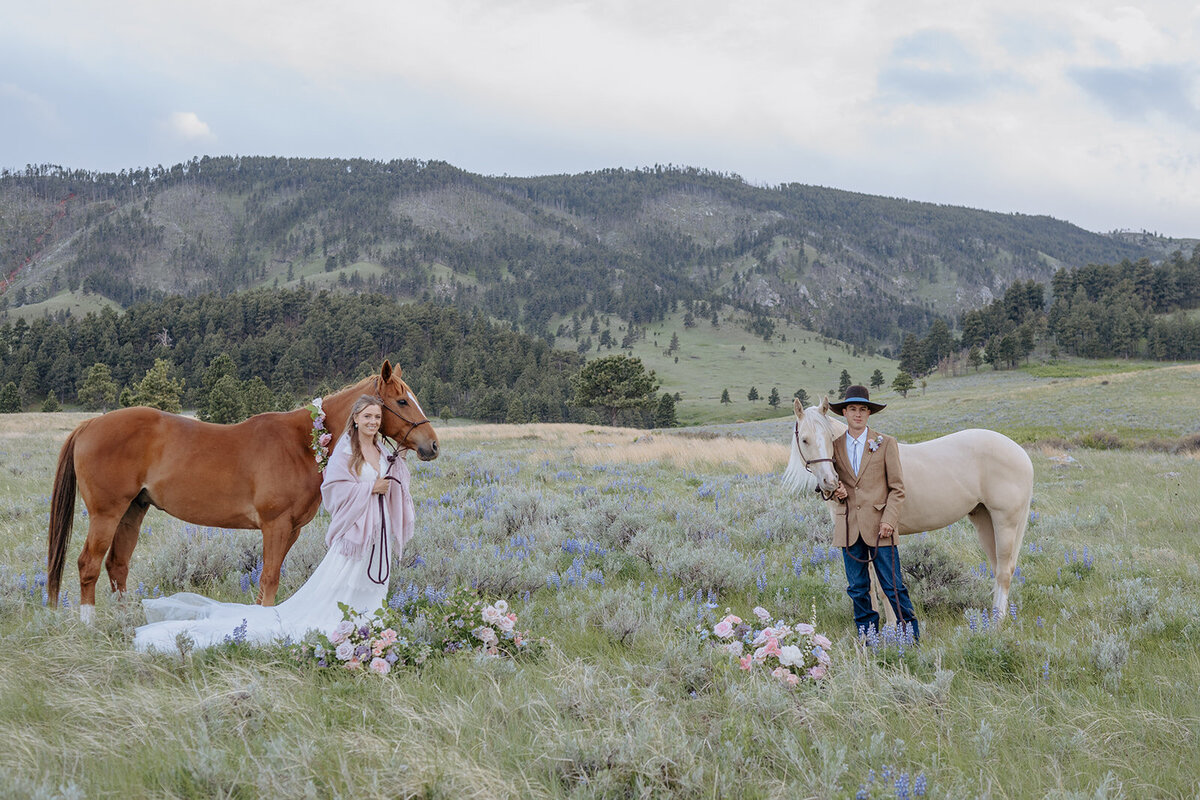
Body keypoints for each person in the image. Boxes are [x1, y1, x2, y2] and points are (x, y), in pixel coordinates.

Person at [133, 395, 415, 652]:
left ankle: (370, 631)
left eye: (377, 418)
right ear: (355, 418)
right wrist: (369, 490)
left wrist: (402, 451)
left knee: (371, 584)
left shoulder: (381, 450)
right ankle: (344, 630)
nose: (373, 422)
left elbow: (395, 478)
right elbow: (335, 492)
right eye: (367, 417)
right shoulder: (344, 453)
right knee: (343, 586)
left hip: (379, 532)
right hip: (355, 534)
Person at [829, 385, 919, 642]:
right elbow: (828, 485)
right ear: (844, 412)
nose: (858, 414)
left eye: (863, 409)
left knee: (893, 586)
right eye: (853, 409)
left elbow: (898, 489)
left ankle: (909, 639)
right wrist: (837, 491)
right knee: (858, 589)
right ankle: (868, 639)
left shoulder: (885, 443)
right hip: (849, 527)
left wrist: (889, 520)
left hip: (881, 527)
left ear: (869, 413)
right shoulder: (834, 447)